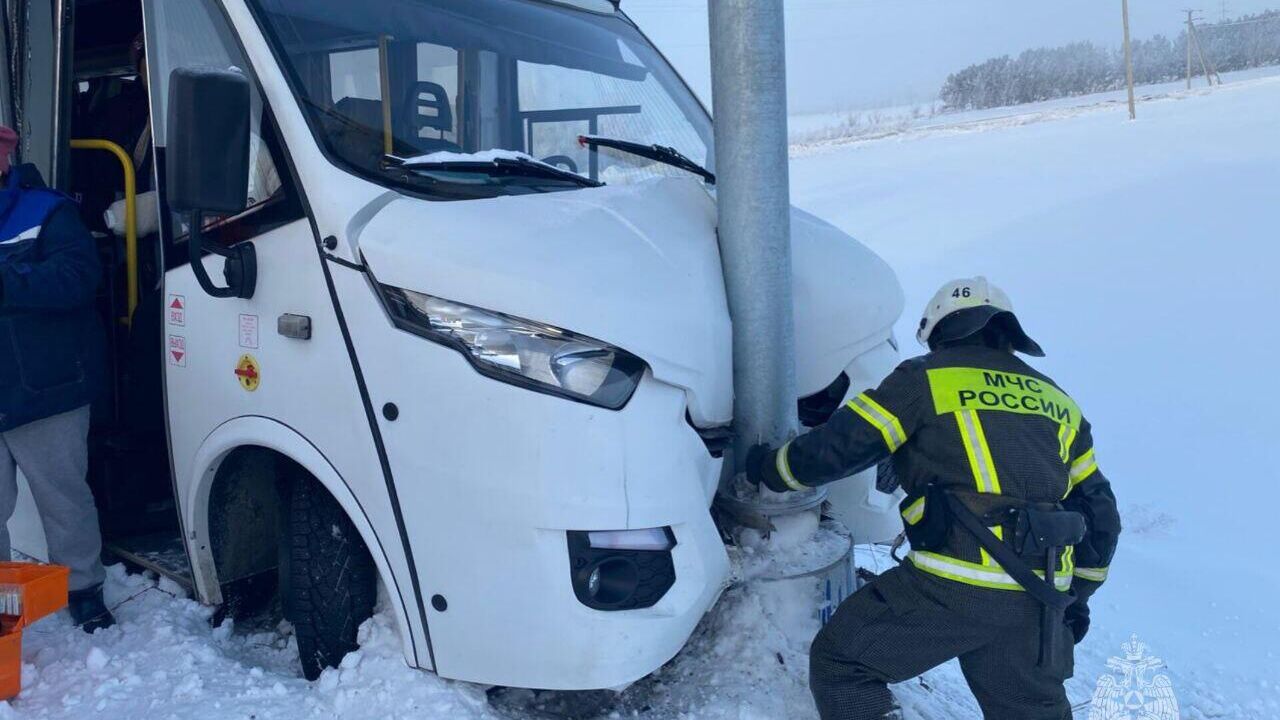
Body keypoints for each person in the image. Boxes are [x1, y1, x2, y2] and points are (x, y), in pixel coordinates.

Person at [747, 277, 1120, 720]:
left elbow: (845, 444)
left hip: (954, 585)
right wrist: (1076, 596)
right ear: (1007, 334)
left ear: (938, 332)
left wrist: (771, 469)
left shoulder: (925, 379)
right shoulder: (1059, 401)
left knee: (843, 663)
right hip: (1037, 597)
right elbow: (1101, 513)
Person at [0, 125, 115, 632]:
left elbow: (79, 278)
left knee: (62, 496)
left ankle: (84, 589)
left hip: (46, 389)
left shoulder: (47, 211)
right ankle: (4, 601)